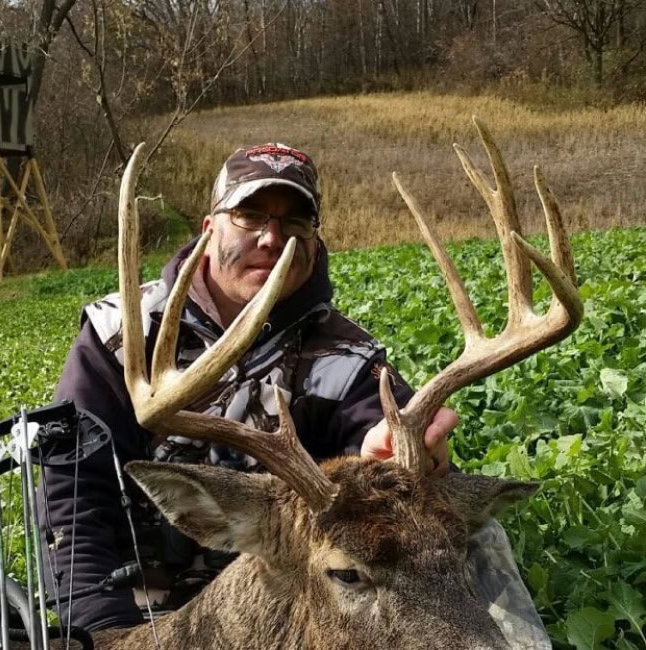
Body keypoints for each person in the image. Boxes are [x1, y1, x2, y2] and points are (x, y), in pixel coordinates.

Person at [40, 143, 549, 647]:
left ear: (314, 236)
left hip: (303, 595)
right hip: (136, 597)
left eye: (295, 222)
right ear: (209, 227)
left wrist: (398, 459)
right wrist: (97, 630)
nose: (271, 237)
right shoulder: (120, 335)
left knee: (469, 532)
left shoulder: (348, 358)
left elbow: (403, 504)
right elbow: (74, 493)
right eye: (250, 215)